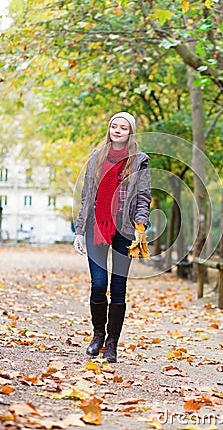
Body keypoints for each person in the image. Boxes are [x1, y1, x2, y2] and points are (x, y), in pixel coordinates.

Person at [73, 112, 151, 363]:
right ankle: (97, 335)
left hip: (125, 230)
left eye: (123, 127)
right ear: (109, 129)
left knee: (118, 288)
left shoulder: (139, 160)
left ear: (130, 132)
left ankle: (112, 343)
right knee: (98, 284)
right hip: (97, 226)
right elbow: (87, 196)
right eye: (114, 126)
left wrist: (141, 226)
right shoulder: (96, 157)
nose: (118, 130)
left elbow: (143, 197)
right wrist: (79, 231)